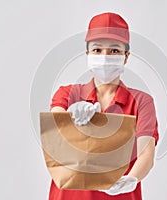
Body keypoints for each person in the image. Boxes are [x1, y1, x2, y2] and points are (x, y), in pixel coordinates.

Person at [49, 12, 159, 200]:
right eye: (97, 50)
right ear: (87, 54)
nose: (105, 56)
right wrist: (69, 117)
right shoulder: (68, 94)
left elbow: (146, 153)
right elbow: (55, 133)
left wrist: (131, 179)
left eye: (114, 51)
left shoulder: (141, 102)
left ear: (126, 56)